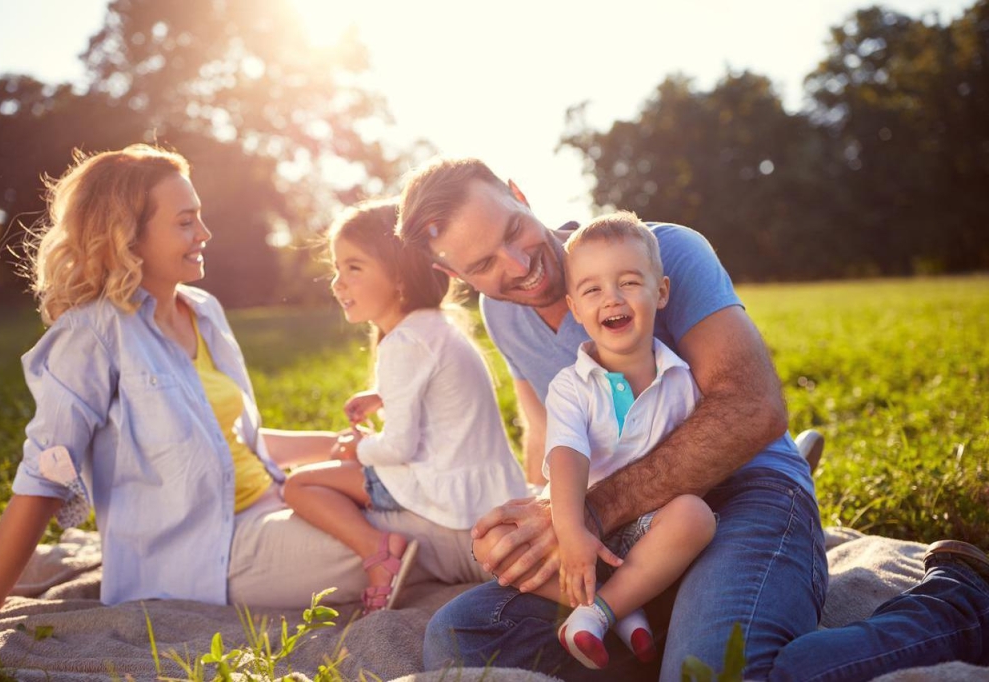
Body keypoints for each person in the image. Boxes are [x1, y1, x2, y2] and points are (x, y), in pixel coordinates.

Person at [397, 156, 989, 681]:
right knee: (463, 637)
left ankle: (960, 606)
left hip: (745, 490)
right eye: (483, 264)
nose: (519, 262)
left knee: (717, 673)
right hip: (628, 533)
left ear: (518, 193)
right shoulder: (503, 315)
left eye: (513, 230)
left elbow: (751, 409)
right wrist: (537, 522)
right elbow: (550, 435)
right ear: (456, 277)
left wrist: (590, 512)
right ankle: (661, 627)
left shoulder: (663, 251)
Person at [0, 145, 489, 626]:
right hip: (208, 554)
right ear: (129, 235)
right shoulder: (90, 335)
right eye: (185, 221)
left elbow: (238, 444)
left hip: (273, 502)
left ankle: (534, 542)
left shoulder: (204, 312)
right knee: (419, 534)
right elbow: (43, 480)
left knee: (422, 494)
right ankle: (528, 560)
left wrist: (344, 449)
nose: (204, 234)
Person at [472, 212, 715, 669]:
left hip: (649, 529)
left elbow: (696, 462)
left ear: (660, 292)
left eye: (628, 282)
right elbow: (566, 458)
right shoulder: (571, 385)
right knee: (493, 542)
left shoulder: (682, 379)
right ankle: (623, 608)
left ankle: (597, 613)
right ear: (576, 308)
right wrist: (572, 531)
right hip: (579, 525)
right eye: (592, 291)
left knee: (695, 516)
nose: (612, 299)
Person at [281, 200, 528, 614]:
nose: (337, 283)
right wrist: (381, 395)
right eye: (337, 268)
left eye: (353, 268)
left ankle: (379, 552)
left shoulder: (402, 343)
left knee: (299, 485)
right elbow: (436, 390)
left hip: (448, 497)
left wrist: (354, 449)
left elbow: (398, 448)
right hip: (490, 489)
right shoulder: (437, 327)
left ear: (398, 277)